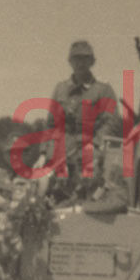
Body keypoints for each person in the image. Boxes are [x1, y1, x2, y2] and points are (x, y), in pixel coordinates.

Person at [50, 40, 119, 182]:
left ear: (92, 61)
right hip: (62, 151)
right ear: (70, 61)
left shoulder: (103, 90)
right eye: (76, 58)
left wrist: (96, 144)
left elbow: (111, 123)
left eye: (85, 59)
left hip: (91, 151)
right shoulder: (60, 89)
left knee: (88, 186)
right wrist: (45, 153)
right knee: (44, 185)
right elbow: (51, 124)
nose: (80, 63)